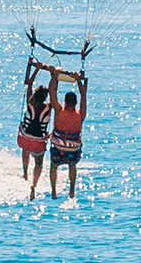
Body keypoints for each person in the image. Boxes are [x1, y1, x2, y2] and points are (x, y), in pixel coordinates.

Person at [47, 71, 87, 199]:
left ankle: (53, 190)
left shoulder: (59, 111)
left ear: (64, 102)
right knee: (72, 165)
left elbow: (52, 92)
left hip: (58, 153)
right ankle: (71, 190)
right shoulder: (80, 115)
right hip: (72, 154)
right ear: (75, 103)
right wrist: (78, 80)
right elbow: (83, 95)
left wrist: (55, 75)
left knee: (53, 166)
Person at [17, 64, 52, 200]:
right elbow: (54, 92)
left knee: (26, 149)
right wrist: (53, 75)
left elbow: (29, 83)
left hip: (25, 139)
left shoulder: (29, 103)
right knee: (38, 163)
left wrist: (37, 68)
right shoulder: (49, 108)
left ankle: (25, 172)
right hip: (38, 142)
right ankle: (34, 184)